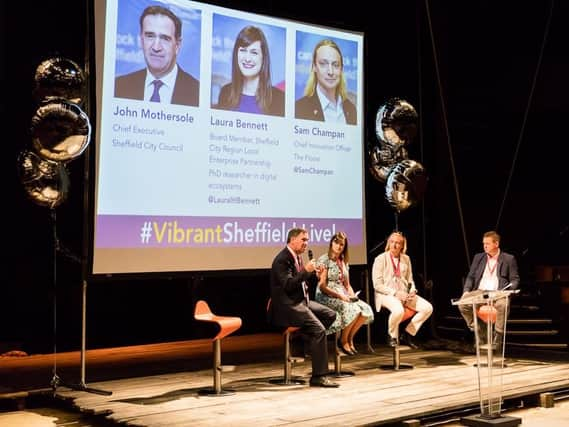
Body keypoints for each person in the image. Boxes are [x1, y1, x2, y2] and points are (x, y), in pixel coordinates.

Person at [268, 227, 339, 388]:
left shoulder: (297, 257)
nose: (306, 243)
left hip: (301, 301)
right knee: (319, 330)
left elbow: (302, 285)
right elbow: (288, 285)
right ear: (292, 240)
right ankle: (319, 376)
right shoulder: (282, 259)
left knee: (330, 315)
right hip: (287, 305)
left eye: (307, 240)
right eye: (303, 240)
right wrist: (306, 271)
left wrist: (315, 276)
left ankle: (303, 341)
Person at [115, 5, 199, 106]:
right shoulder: (120, 85)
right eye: (150, 36)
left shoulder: (198, 92)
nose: (156, 47)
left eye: (165, 38)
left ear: (177, 45)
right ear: (141, 41)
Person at [315, 231, 374, 355]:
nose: (339, 246)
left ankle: (349, 338)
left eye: (342, 244)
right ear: (331, 243)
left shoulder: (343, 261)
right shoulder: (324, 260)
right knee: (351, 309)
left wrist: (352, 296)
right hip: (326, 294)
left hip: (342, 292)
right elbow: (322, 286)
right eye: (336, 243)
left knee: (365, 309)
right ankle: (343, 341)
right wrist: (340, 296)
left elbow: (347, 284)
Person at [372, 231, 433, 348]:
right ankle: (392, 336)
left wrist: (412, 290)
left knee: (427, 308)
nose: (394, 245)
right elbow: (377, 285)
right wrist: (395, 293)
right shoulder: (380, 259)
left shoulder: (406, 259)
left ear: (402, 245)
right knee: (398, 310)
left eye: (397, 243)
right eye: (392, 242)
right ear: (388, 243)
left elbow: (410, 280)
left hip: (405, 294)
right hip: (386, 294)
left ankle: (408, 333)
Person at [458, 231, 520, 346]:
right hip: (481, 291)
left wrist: (508, 291)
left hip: (498, 292)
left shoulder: (508, 259)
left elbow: (515, 279)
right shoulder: (478, 257)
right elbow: (470, 277)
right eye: (483, 244)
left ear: (496, 244)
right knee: (462, 304)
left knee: (503, 305)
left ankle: (498, 335)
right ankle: (479, 329)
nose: (485, 246)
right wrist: (466, 291)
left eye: (487, 243)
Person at [213, 26, 284, 116]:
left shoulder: (279, 98)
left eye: (254, 52)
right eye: (243, 50)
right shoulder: (226, 93)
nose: (247, 58)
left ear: (263, 58)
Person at [295, 39, 356, 125]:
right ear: (314, 67)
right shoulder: (300, 108)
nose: (330, 72)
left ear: (341, 69)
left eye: (335, 65)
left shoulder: (351, 109)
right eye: (323, 64)